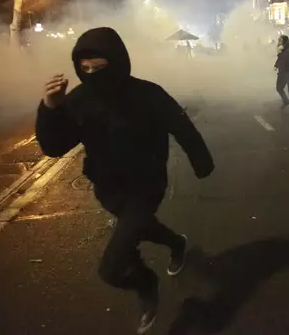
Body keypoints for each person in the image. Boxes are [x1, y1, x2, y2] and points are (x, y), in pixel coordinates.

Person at [35, 27, 214, 334]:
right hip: (108, 188)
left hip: (146, 184)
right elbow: (54, 146)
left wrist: (201, 162)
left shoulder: (147, 93)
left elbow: (181, 126)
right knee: (139, 228)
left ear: (117, 63)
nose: (91, 74)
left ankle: (146, 284)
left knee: (112, 267)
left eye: (100, 68)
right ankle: (176, 243)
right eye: (85, 68)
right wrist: (50, 109)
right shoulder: (79, 100)